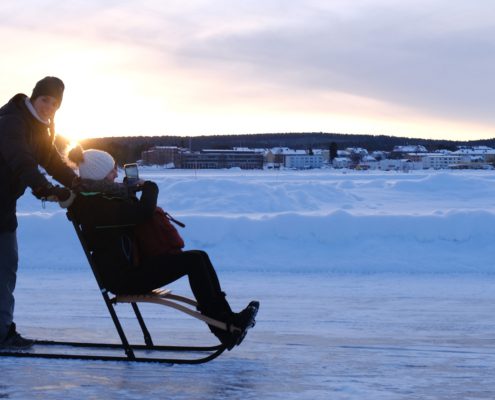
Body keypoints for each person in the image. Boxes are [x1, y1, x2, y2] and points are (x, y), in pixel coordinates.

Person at [65, 146, 259, 350]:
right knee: (194, 261)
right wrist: (150, 187)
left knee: (199, 257)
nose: (116, 173)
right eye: (112, 170)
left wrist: (129, 191)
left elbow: (129, 214)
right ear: (100, 176)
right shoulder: (95, 207)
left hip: (132, 268)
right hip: (125, 278)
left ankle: (227, 324)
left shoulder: (99, 200)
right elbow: (142, 213)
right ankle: (226, 327)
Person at [0, 77, 76, 349]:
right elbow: (20, 159)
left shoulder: (39, 128)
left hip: (4, 205)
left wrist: (78, 183)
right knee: (4, 268)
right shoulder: (12, 121)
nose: (49, 107)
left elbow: (53, 161)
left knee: (6, 268)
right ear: (34, 98)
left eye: (55, 104)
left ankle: (2, 332)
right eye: (45, 100)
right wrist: (43, 188)